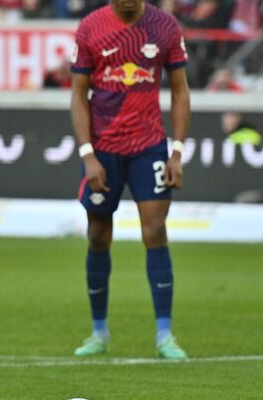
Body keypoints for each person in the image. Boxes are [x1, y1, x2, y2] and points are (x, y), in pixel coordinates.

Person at [70, 0, 190, 360]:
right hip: (103, 148)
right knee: (98, 235)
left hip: (148, 146)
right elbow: (78, 94)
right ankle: (99, 332)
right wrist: (87, 154)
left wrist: (177, 151)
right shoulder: (91, 27)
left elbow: (180, 89)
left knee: (154, 231)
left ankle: (165, 335)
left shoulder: (164, 27)